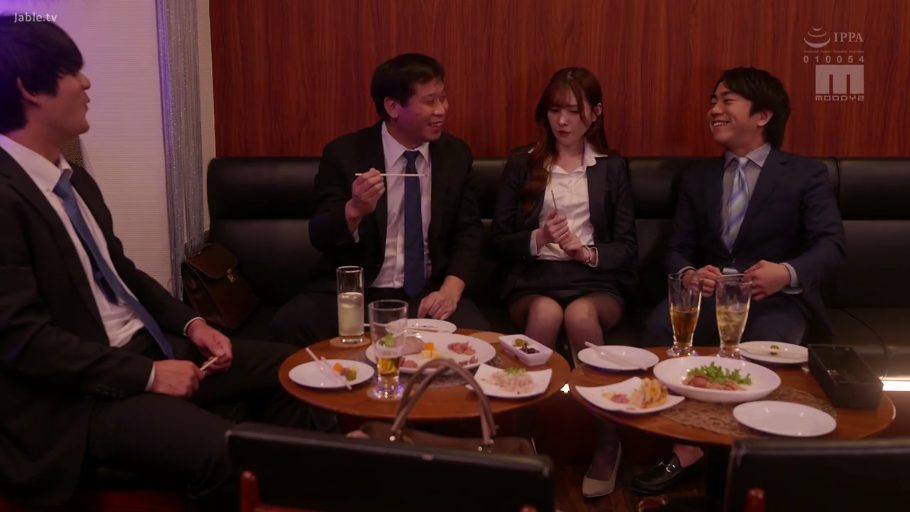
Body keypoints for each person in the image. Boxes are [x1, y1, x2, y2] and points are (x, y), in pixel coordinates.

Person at [0, 18, 308, 511]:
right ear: (29, 89)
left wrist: (193, 324)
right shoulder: (6, 194)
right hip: (76, 398)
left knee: (295, 372)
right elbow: (24, 341)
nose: (86, 82)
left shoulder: (72, 179)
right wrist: (147, 376)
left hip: (145, 348)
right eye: (72, 71)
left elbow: (120, 271)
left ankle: (273, 490)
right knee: (227, 456)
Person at [634, 67, 846, 495]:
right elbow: (677, 249)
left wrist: (784, 273)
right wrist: (691, 273)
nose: (714, 109)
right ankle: (688, 448)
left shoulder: (805, 174)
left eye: (727, 100)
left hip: (775, 299)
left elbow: (831, 246)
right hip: (709, 296)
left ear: (763, 115)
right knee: (658, 331)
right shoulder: (698, 177)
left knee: (766, 352)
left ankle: (754, 460)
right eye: (713, 101)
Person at [271, 53, 489, 347]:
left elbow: (469, 231)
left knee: (480, 340)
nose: (441, 110)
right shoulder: (345, 154)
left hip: (429, 292)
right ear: (392, 107)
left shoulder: (455, 155)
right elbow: (319, 235)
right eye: (430, 101)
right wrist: (354, 210)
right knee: (290, 324)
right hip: (358, 292)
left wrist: (451, 290)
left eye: (443, 98)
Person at [490, 67, 637, 497]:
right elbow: (497, 242)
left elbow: (627, 247)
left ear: (596, 113)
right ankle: (521, 438)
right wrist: (539, 238)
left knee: (580, 315)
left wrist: (585, 252)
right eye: (555, 110)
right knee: (545, 312)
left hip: (594, 279)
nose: (563, 121)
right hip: (534, 279)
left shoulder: (612, 167)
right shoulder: (522, 162)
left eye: (573, 111)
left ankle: (608, 441)